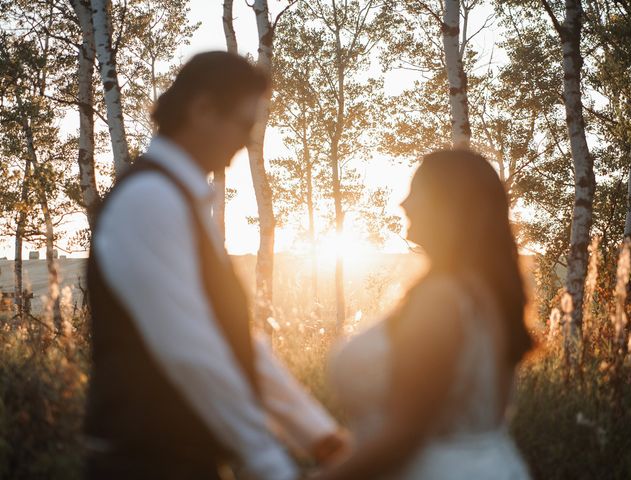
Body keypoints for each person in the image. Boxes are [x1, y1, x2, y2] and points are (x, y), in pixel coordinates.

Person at [84, 51, 345, 480]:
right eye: (243, 125)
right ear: (202, 108)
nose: (247, 142)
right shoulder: (150, 200)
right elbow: (191, 350)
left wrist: (317, 434)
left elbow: (231, 337)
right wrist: (269, 463)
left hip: (181, 459)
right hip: (145, 462)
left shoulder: (181, 200)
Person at [319, 149, 533, 479]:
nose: (403, 203)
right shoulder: (487, 290)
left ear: (450, 207)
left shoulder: (442, 299)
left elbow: (404, 434)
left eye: (416, 191)